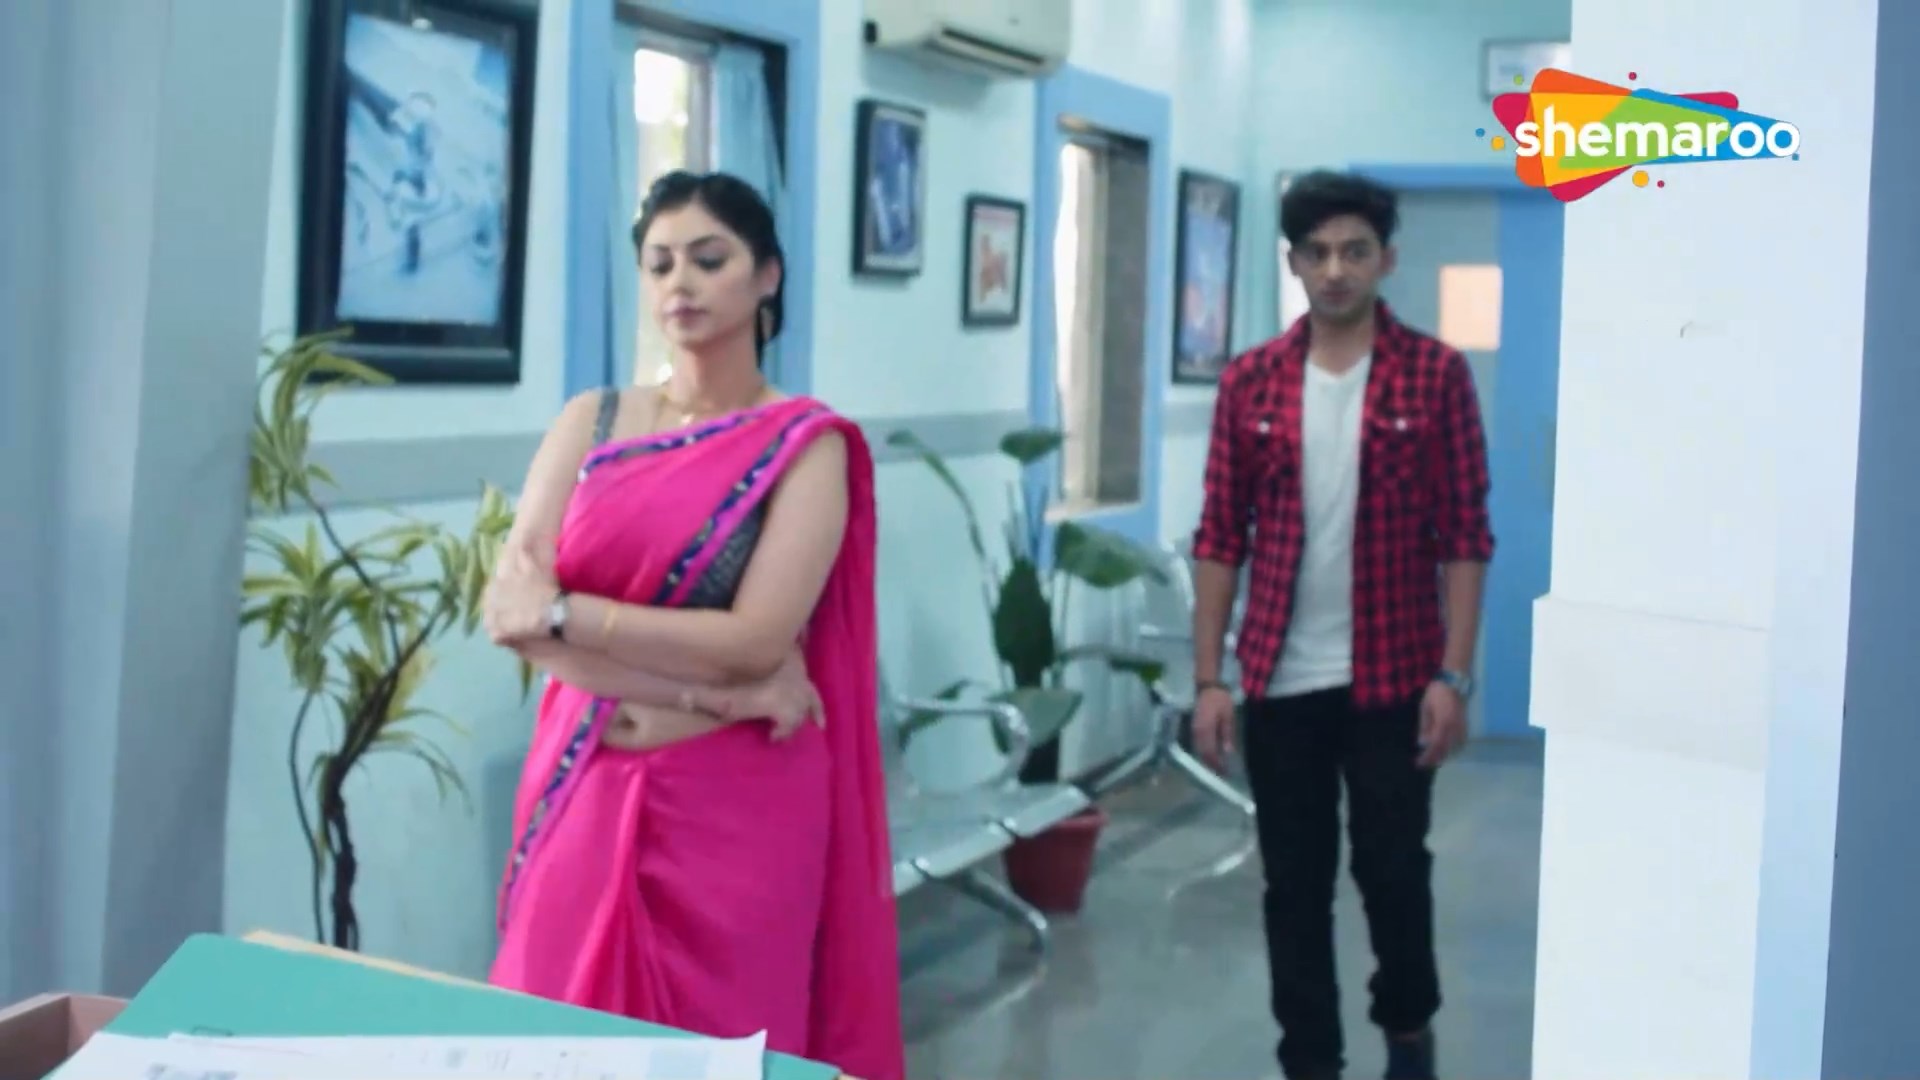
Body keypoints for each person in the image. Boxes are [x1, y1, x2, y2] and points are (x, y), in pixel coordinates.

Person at [479, 170, 906, 1080]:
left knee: (727, 1044)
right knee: (554, 1031)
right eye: (660, 263)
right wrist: (721, 695)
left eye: (710, 260)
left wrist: (571, 615)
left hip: (741, 811)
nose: (682, 282)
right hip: (587, 780)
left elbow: (754, 638)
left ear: (768, 277)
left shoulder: (806, 445)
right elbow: (513, 616)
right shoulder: (591, 422)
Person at [1187, 170, 1494, 1080]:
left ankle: (1408, 1030)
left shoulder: (1435, 375)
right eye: (1317, 253)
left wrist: (1454, 675)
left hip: (1396, 677)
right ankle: (1310, 1060)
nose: (1335, 270)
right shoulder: (1250, 382)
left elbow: (1465, 536)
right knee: (1294, 886)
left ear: (1386, 260)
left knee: (1392, 871)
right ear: (1293, 263)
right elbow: (1219, 536)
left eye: (1355, 251)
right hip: (1281, 679)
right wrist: (1209, 681)